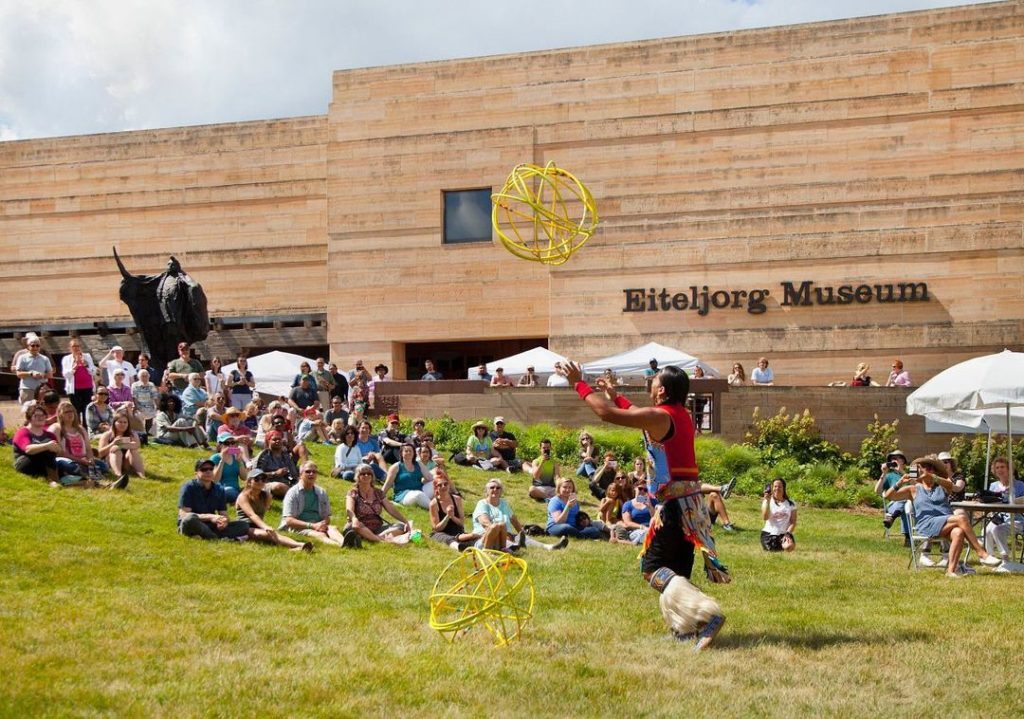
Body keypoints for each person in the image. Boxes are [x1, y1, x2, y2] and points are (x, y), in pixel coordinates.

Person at [558, 360, 729, 650]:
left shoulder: (662, 417)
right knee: (676, 570)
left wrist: (579, 383)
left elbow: (606, 414)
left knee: (652, 570)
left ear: (661, 390)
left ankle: (706, 614)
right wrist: (615, 394)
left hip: (674, 507)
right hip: (688, 504)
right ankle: (684, 629)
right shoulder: (680, 415)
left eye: (652, 380)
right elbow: (637, 414)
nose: (649, 383)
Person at [883, 456, 1002, 576]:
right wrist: (900, 482)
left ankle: (951, 571)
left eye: (929, 468)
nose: (925, 470)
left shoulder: (942, 486)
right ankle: (981, 553)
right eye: (922, 467)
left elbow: (951, 486)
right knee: (961, 518)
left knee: (958, 532)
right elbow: (888, 496)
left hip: (946, 523)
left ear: (935, 471)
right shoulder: (913, 489)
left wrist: (933, 477)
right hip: (927, 524)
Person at [472, 478, 566, 552]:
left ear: (501, 491)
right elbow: (484, 522)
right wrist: (499, 531)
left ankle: (550, 547)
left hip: (507, 535)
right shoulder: (482, 503)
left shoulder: (504, 503)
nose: (495, 489)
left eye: (498, 488)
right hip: (488, 536)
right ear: (486, 491)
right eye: (492, 488)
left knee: (524, 539)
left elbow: (514, 520)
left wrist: (522, 534)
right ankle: (514, 547)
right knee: (511, 540)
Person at [280, 462, 359, 547]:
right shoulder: (292, 493)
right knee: (320, 535)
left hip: (318, 524)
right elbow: (289, 520)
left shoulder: (321, 492)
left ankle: (345, 542)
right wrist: (312, 526)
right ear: (301, 474)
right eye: (308, 471)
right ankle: (340, 545)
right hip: (299, 527)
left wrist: (323, 523)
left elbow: (327, 517)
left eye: (314, 472)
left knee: (333, 529)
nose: (311, 474)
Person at [234, 470, 313, 552]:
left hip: (258, 525)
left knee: (272, 535)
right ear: (249, 481)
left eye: (263, 479)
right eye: (257, 479)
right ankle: (300, 545)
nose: (260, 481)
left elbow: (264, 511)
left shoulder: (266, 496)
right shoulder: (243, 496)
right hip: (245, 527)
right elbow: (252, 515)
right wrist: (265, 526)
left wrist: (263, 527)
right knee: (270, 535)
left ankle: (297, 548)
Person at [177, 457, 250, 541]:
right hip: (193, 523)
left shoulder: (219, 489)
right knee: (190, 518)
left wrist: (223, 521)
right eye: (204, 469)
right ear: (196, 473)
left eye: (211, 469)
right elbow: (184, 515)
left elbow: (223, 514)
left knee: (244, 525)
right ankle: (217, 538)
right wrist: (210, 517)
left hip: (210, 525)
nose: (208, 471)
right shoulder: (188, 487)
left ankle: (206, 536)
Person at [345, 463, 412, 545]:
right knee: (355, 526)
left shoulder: (378, 492)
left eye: (369, 473)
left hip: (378, 527)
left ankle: (372, 538)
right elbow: (349, 510)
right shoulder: (353, 493)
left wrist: (405, 522)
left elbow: (391, 509)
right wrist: (354, 519)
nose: (366, 475)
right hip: (361, 525)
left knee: (401, 527)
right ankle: (381, 540)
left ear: (372, 476)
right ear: (358, 476)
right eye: (363, 474)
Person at [49, 400, 109, 484]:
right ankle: (87, 477)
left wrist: (90, 460)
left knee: (103, 466)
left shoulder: (80, 429)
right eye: (66, 412)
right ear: (60, 414)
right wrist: (80, 461)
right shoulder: (56, 428)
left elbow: (88, 449)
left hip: (83, 460)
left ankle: (86, 474)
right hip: (67, 460)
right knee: (67, 466)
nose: (70, 414)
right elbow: (60, 453)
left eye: (72, 411)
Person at [983, 456, 1024, 561]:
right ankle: (990, 557)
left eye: (1002, 467)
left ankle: (1005, 558)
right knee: (986, 530)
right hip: (998, 518)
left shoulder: (1020, 485)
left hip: (1017, 519)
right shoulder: (993, 486)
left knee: (997, 529)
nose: (1000, 470)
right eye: (997, 468)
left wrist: (1012, 500)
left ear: (1009, 469)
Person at [428, 469, 479, 550]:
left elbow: (461, 523)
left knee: (474, 538)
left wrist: (453, 517)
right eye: (439, 485)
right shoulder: (433, 504)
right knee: (445, 538)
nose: (443, 487)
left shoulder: (457, 499)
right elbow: (437, 528)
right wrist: (447, 516)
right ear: (436, 488)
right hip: (442, 533)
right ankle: (458, 547)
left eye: (445, 484)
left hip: (457, 532)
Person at [13, 404, 62, 485]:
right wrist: (46, 446)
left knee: (52, 455)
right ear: (29, 418)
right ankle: (52, 480)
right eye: (36, 415)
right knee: (45, 451)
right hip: (26, 462)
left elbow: (59, 451)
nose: (40, 417)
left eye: (43, 415)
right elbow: (28, 449)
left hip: (45, 463)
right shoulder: (22, 432)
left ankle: (55, 480)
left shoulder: (50, 435)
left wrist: (56, 448)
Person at [96, 412, 144, 483]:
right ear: (114, 423)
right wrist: (113, 444)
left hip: (126, 462)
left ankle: (142, 474)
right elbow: (100, 454)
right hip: (110, 460)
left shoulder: (132, 434)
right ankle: (118, 475)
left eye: (125, 422)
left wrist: (120, 445)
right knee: (116, 451)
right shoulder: (107, 435)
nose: (123, 424)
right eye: (120, 422)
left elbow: (137, 444)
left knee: (134, 450)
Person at [381, 443, 433, 509]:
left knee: (435, 483)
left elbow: (429, 477)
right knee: (418, 495)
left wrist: (438, 479)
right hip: (404, 495)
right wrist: (379, 496)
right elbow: (388, 484)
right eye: (406, 451)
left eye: (410, 451)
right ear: (401, 453)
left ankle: (443, 502)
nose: (408, 452)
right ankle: (436, 509)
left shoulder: (419, 464)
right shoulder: (396, 467)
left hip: (420, 489)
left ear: (414, 453)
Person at [875, 449, 910, 542]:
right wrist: (884, 473)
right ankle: (908, 537)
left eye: (896, 458)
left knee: (906, 502)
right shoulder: (889, 476)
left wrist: (902, 471)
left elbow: (916, 486)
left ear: (903, 461)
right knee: (904, 503)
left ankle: (892, 517)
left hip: (911, 504)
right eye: (892, 459)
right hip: (894, 503)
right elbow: (877, 491)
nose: (894, 461)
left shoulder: (910, 474)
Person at [254, 430, 301, 498]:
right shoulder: (264, 455)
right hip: (267, 483)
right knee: (279, 486)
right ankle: (295, 496)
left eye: (279, 439)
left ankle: (295, 494)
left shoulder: (286, 455)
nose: (278, 441)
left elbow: (294, 474)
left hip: (287, 482)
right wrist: (275, 473)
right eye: (274, 439)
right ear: (268, 441)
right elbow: (256, 475)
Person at [61, 339, 98, 420]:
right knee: (76, 410)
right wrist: (75, 366)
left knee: (87, 410)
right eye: (74, 346)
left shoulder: (87, 356)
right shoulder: (66, 359)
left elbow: (93, 372)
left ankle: (86, 428)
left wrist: (86, 365)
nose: (76, 348)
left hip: (88, 388)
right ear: (70, 348)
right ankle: (77, 429)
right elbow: (65, 375)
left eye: (78, 346)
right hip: (74, 389)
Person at [210, 430, 248, 503]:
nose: (230, 446)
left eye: (232, 443)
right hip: (222, 489)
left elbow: (244, 477)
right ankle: (241, 499)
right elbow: (215, 480)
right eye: (227, 443)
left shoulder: (236, 457)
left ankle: (240, 498)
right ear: (220, 445)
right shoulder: (215, 458)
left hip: (236, 489)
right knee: (229, 492)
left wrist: (240, 461)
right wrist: (222, 461)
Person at [14, 336, 53, 404]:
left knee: (42, 410)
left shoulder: (45, 359)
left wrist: (42, 375)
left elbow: (50, 374)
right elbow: (18, 374)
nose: (35, 348)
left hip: (41, 390)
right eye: (33, 345)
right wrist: (31, 373)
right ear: (28, 346)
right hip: (27, 389)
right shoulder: (22, 358)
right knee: (27, 410)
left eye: (37, 345)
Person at [760, 479, 797, 551]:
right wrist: (767, 501)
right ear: (772, 488)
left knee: (789, 547)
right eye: (775, 486)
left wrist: (788, 533)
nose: (777, 488)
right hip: (769, 534)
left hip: (784, 534)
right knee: (773, 550)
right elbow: (765, 517)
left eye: (779, 487)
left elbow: (793, 522)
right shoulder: (767, 501)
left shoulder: (791, 503)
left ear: (784, 488)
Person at [131, 369, 159, 441]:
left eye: (146, 376)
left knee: (155, 415)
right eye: (143, 376)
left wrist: (158, 406)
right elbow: (134, 397)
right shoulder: (135, 385)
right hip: (139, 406)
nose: (145, 377)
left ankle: (149, 433)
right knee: (139, 414)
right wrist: (136, 407)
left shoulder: (151, 385)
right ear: (139, 377)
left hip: (150, 406)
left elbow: (155, 396)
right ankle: (142, 433)